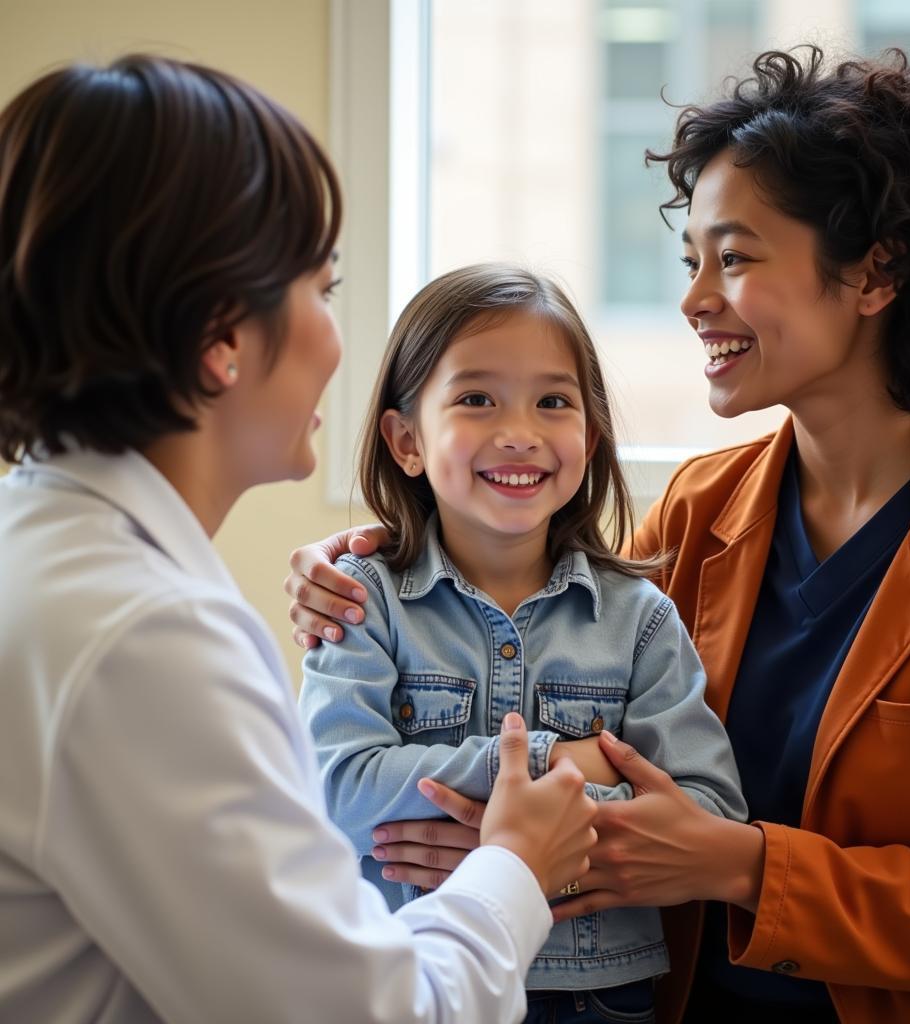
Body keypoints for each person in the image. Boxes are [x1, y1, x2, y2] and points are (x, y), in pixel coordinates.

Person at [284, 45, 910, 1023]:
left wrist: (744, 863)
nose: (692, 299)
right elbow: (525, 588)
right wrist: (357, 558)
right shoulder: (698, 507)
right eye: (691, 262)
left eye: (736, 257)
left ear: (873, 273)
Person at [0, 55, 601, 1024]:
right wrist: (513, 865)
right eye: (322, 288)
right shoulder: (140, 636)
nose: (335, 339)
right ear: (219, 335)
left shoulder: (59, 559)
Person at [297, 263, 747, 1024]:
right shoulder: (360, 601)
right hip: (414, 980)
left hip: (599, 994)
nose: (520, 432)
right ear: (406, 439)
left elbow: (712, 815)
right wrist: (548, 764)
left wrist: (531, 834)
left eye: (553, 401)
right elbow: (339, 790)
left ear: (589, 436)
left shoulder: (641, 619)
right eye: (476, 399)